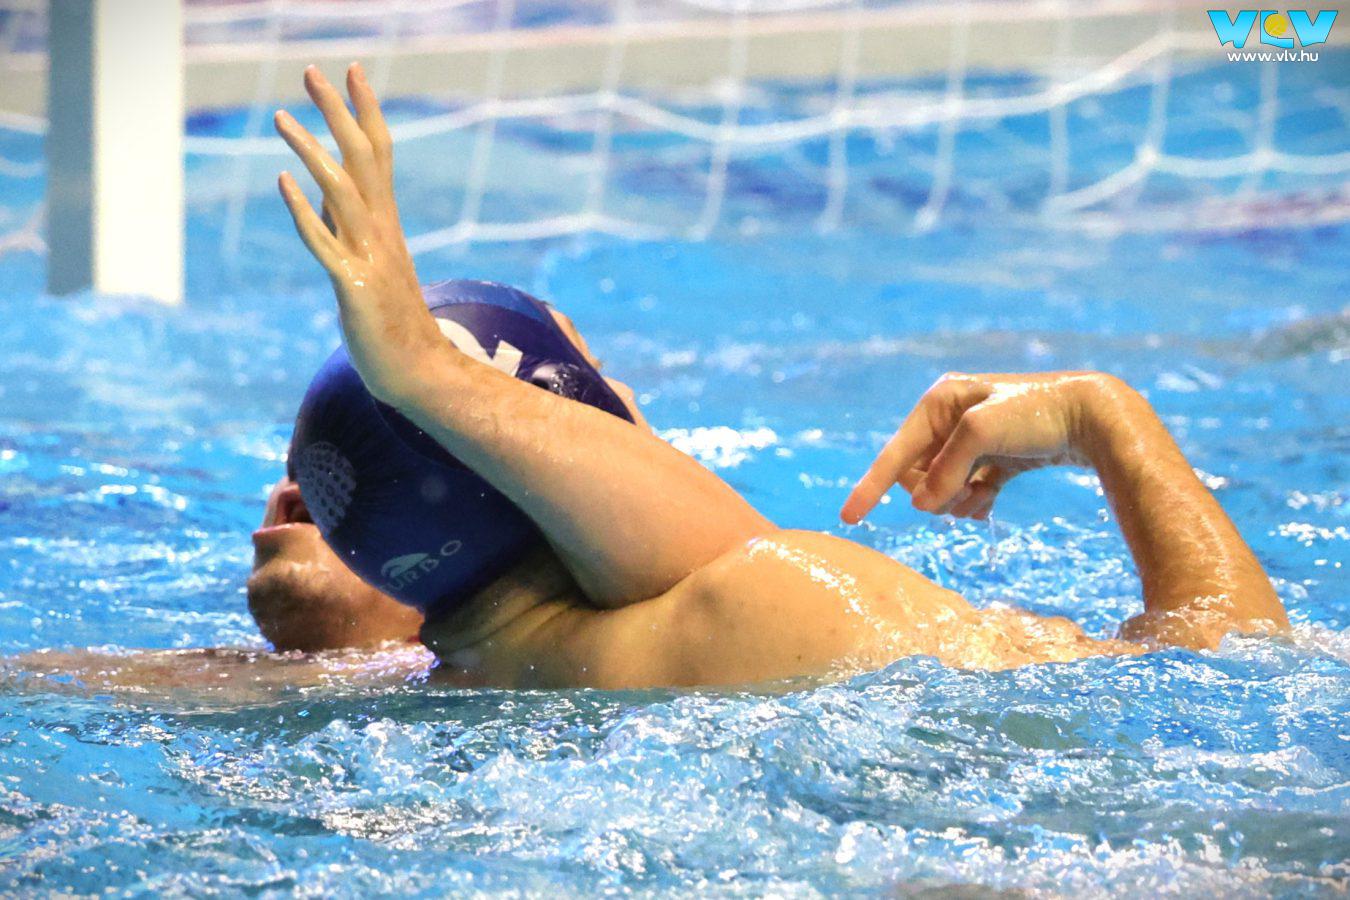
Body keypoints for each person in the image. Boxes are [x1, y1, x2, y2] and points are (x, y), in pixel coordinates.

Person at [238, 62, 1289, 690]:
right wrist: (1105, 417)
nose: (630, 407)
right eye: (601, 382)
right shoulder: (775, 605)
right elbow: (1231, 671)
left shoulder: (445, 689)